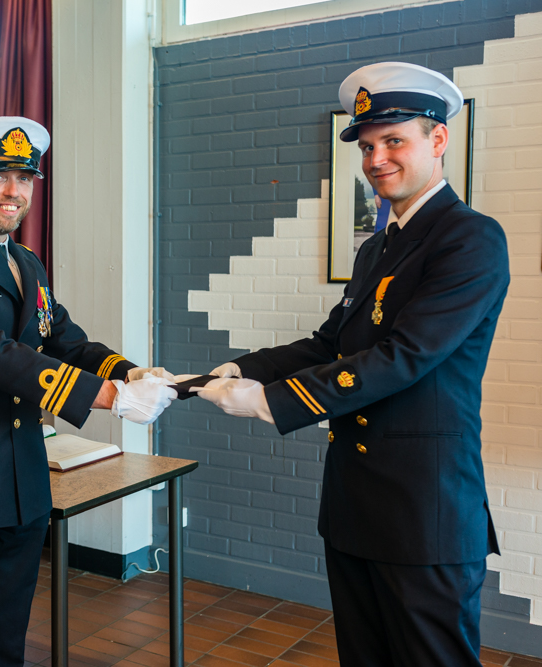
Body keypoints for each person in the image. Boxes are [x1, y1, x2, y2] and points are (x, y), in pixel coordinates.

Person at [194, 62, 509, 666]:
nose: (376, 159)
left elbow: (404, 357)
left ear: (437, 140)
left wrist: (269, 400)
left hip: (424, 513)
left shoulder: (469, 239)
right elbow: (330, 343)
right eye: (367, 146)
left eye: (394, 141)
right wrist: (241, 368)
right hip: (356, 505)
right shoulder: (379, 247)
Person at [0, 116, 177, 667]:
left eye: (23, 178)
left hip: (23, 479)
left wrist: (131, 373)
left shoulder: (25, 263)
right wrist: (110, 399)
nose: (12, 190)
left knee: (3, 636)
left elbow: (64, 339)